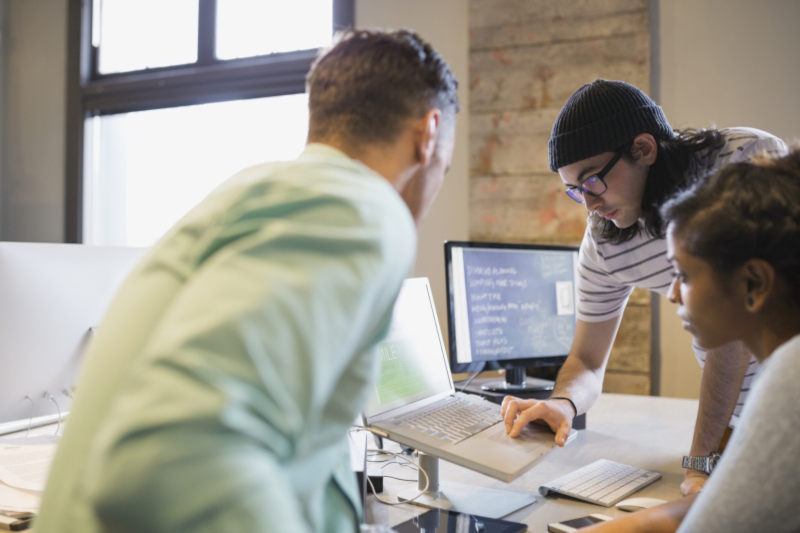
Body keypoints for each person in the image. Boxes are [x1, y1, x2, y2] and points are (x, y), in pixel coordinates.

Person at [36, 29, 459, 533]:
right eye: (446, 167)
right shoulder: (362, 210)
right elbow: (169, 464)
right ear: (428, 134)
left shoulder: (255, 194)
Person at [500, 79, 787, 495]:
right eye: (575, 191)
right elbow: (587, 360)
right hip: (747, 422)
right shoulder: (604, 240)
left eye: (592, 180)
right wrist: (563, 403)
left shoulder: (742, 163)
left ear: (643, 149)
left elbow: (737, 328)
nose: (589, 204)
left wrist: (699, 463)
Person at [581, 146, 800, 533]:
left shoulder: (790, 376)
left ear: (754, 283)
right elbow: (727, 507)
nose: (672, 295)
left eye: (683, 275)